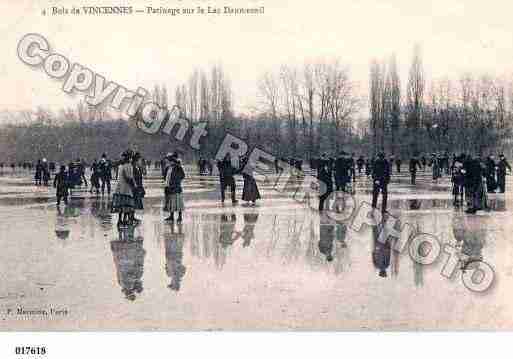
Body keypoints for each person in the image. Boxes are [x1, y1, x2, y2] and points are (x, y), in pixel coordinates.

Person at [111, 151, 136, 227]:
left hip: (119, 188)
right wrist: (134, 186)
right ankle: (124, 220)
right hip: (126, 188)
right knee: (127, 205)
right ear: (130, 158)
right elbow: (129, 178)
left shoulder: (121, 166)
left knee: (121, 206)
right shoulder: (128, 166)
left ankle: (120, 220)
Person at [165, 158, 185, 222]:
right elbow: (167, 177)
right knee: (171, 202)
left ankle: (180, 217)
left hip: (176, 187)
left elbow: (183, 176)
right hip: (170, 187)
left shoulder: (178, 168)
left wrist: (177, 182)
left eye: (170, 161)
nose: (169, 162)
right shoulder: (169, 168)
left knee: (178, 202)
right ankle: (171, 216)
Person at [132, 152, 145, 223]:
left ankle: (132, 216)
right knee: (133, 202)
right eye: (140, 160)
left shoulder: (137, 167)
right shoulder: (133, 168)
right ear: (136, 160)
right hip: (134, 187)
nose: (141, 161)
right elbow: (133, 178)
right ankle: (131, 217)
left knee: (135, 202)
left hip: (138, 187)